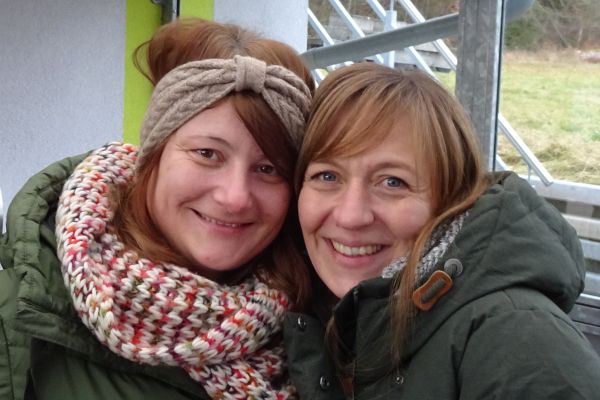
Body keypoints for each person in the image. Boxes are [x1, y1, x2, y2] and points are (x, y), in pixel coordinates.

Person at [0, 18, 313, 400]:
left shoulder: (321, 322)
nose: (234, 197)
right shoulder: (20, 319)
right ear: (153, 157)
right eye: (207, 153)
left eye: (268, 169)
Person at [284, 62, 600, 399]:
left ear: (452, 199)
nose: (351, 216)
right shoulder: (299, 317)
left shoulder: (520, 343)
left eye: (393, 182)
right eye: (327, 176)